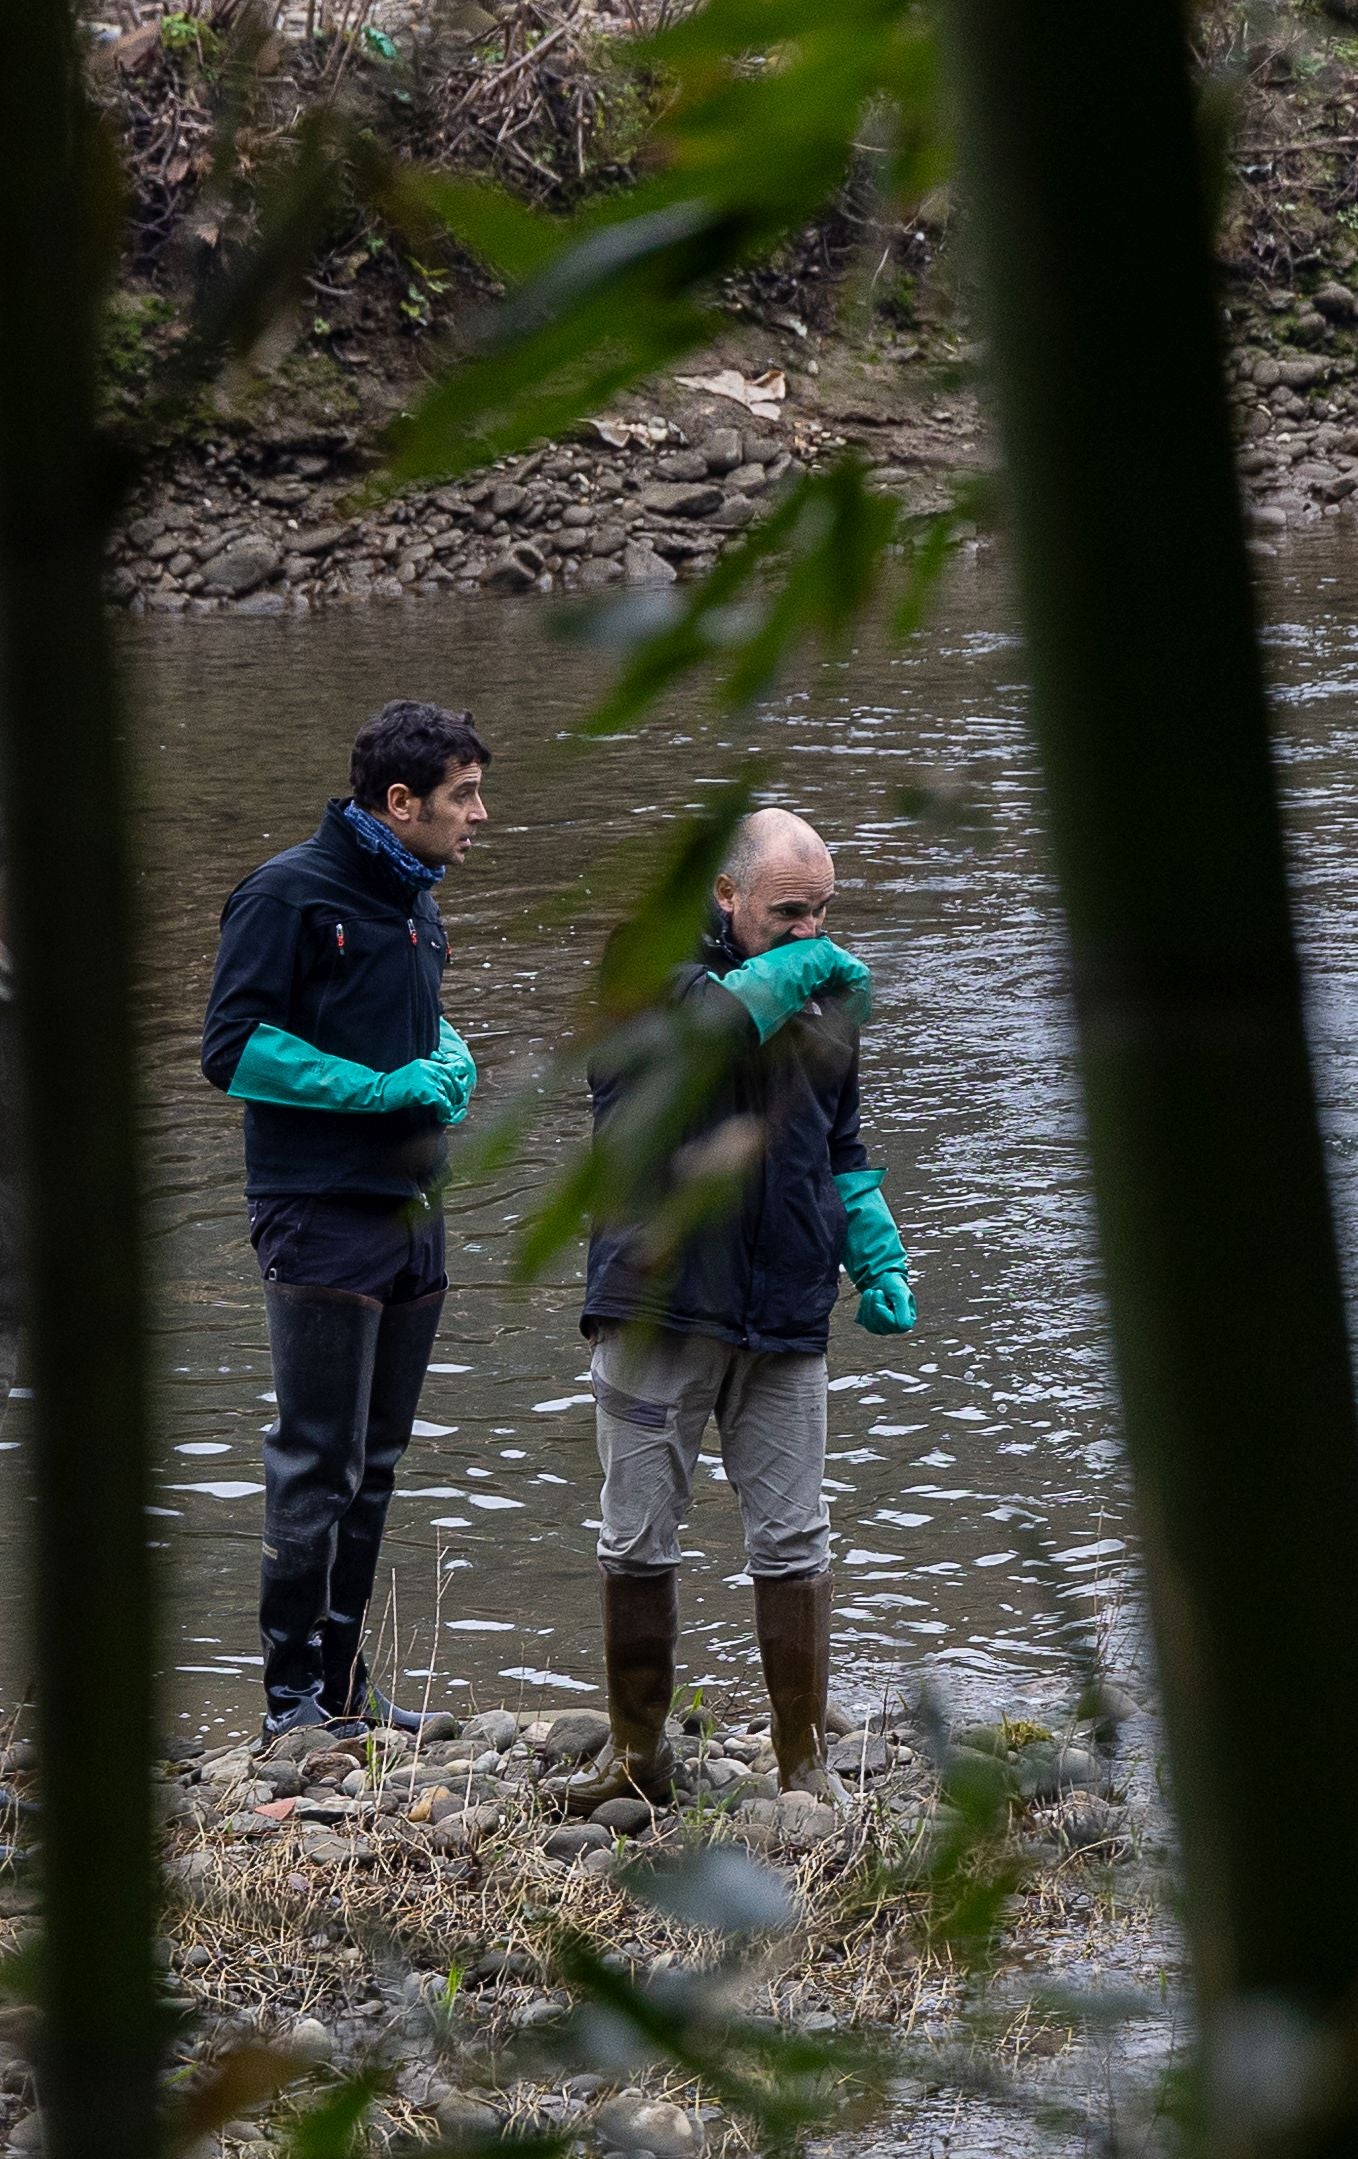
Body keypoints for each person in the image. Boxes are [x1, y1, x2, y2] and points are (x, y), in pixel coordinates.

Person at [553, 807, 916, 1813]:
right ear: (724, 896)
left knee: (796, 1541)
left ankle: (799, 1764)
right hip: (657, 1299)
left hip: (786, 1307)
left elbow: (839, 1149)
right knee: (636, 1539)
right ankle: (635, 1754)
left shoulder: (818, 1000)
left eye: (824, 911)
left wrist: (874, 1248)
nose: (811, 930)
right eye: (787, 911)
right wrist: (804, 976)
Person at [202, 701, 490, 1738]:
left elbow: (403, 1016)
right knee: (318, 1457)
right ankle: (288, 1701)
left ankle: (344, 1684)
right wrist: (375, 1088)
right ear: (399, 800)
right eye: (463, 796)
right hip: (316, 1212)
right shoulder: (285, 891)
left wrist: (448, 1051)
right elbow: (231, 1047)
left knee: (376, 1460)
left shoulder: (419, 897)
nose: (480, 815)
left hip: (415, 1210)